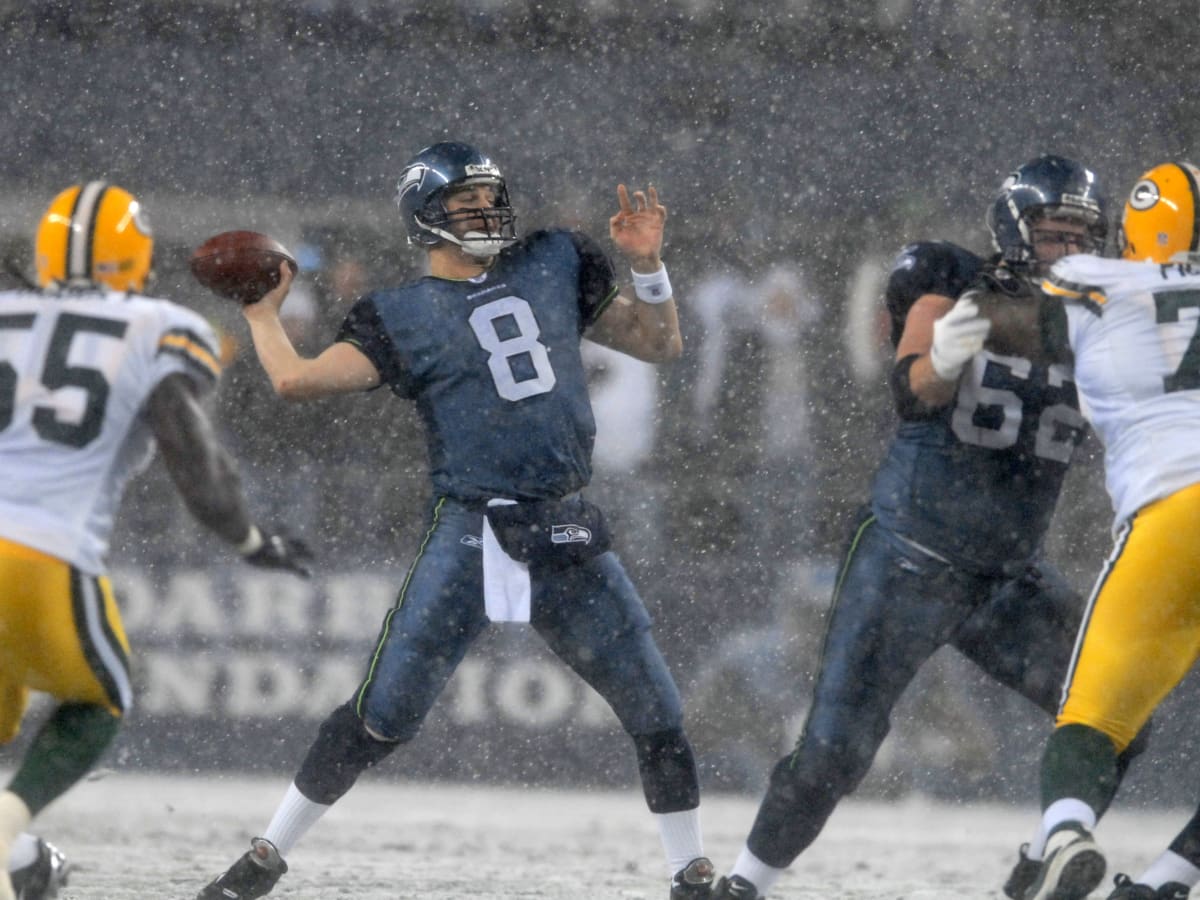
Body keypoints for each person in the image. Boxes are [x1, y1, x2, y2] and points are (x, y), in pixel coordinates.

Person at [194, 141, 714, 900]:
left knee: (657, 709)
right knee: (383, 714)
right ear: (425, 218)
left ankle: (689, 870)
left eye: (490, 197)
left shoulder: (553, 259)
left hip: (563, 524)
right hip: (472, 528)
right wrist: (258, 313)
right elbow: (293, 379)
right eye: (466, 202)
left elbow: (661, 342)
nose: (486, 211)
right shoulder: (398, 314)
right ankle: (267, 854)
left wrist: (649, 264)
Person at [711, 155, 1146, 900]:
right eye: (1053, 232)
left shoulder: (1109, 310)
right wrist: (947, 354)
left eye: (1082, 232)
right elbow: (916, 389)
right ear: (1015, 230)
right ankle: (744, 884)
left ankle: (1046, 858)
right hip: (910, 553)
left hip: (1011, 574)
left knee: (1120, 717)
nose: (1068, 246)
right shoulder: (951, 276)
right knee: (834, 751)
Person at [0, 182, 312, 900]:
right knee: (104, 697)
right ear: (133, 254)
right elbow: (193, 461)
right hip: (48, 551)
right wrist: (249, 538)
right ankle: (7, 832)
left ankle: (19, 857)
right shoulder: (157, 327)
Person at [969, 160, 1200, 900]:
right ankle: (1168, 881)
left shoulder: (1097, 282)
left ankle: (1064, 833)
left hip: (1173, 509)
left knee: (1092, 718)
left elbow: (1000, 319)